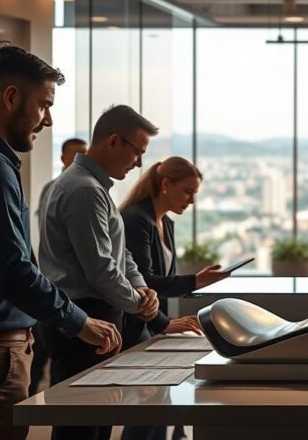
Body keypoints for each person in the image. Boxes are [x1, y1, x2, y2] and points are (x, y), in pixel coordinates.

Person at [0, 44, 120, 440]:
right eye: (44, 105)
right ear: (11, 98)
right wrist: (80, 321)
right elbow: (11, 270)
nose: (47, 120)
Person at [39, 105, 161, 440]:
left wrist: (140, 288)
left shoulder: (92, 187)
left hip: (95, 317)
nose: (138, 163)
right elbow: (102, 271)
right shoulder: (84, 191)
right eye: (137, 152)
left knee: (96, 421)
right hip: (85, 321)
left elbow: (120, 256)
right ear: (113, 141)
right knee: (81, 428)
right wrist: (138, 303)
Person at [118, 157, 227, 440]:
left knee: (157, 411)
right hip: (133, 327)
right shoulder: (136, 219)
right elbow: (144, 282)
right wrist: (195, 281)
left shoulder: (165, 222)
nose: (191, 200)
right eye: (187, 191)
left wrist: (164, 325)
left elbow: (160, 283)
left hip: (151, 326)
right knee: (145, 414)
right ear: (165, 184)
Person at [29, 137, 88, 396]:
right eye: (75, 155)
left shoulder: (88, 187)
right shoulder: (55, 189)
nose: (80, 159)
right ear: (63, 158)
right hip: (54, 279)